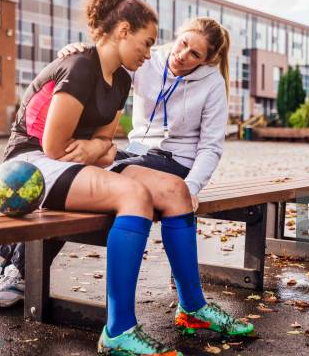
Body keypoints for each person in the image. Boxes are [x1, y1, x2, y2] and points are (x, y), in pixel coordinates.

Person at [0, 0, 251, 356]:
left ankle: (193, 309)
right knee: (134, 195)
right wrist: (100, 147)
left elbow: (104, 147)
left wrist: (99, 148)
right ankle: (118, 329)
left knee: (176, 192)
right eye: (149, 43)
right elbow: (56, 147)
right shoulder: (82, 65)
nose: (155, 53)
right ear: (124, 31)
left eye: (157, 45)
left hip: (80, 160)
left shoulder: (125, 80)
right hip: (33, 164)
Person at [58, 16, 230, 215]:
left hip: (176, 161)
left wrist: (190, 188)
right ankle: (32, 241)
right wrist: (82, 54)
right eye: (183, 43)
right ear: (179, 35)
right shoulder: (148, 60)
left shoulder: (212, 84)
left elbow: (211, 147)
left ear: (206, 60)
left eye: (194, 54)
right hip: (135, 152)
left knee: (106, 173)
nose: (183, 55)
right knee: (75, 164)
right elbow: (108, 66)